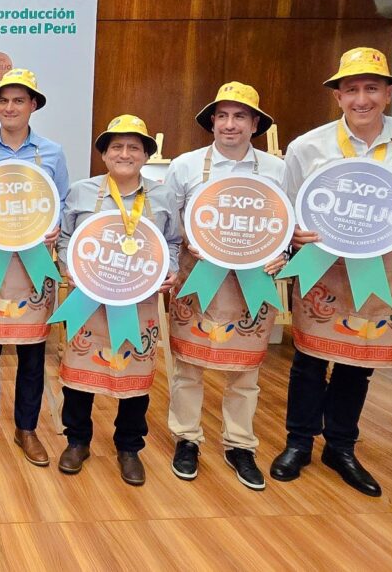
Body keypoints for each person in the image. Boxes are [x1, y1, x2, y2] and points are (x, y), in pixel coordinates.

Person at [270, 48, 392, 497]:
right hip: (323, 266)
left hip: (382, 264)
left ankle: (341, 447)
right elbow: (289, 207)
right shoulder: (308, 146)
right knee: (309, 360)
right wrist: (294, 235)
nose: (362, 99)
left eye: (372, 88)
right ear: (338, 97)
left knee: (360, 361)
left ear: (388, 94)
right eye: (351, 89)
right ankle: (298, 443)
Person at [164, 82, 287, 491]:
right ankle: (186, 438)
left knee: (246, 372)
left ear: (255, 124)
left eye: (240, 116)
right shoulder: (185, 166)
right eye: (222, 116)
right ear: (212, 122)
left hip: (252, 282)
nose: (230, 124)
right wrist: (184, 246)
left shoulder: (276, 170)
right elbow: (167, 224)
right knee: (188, 366)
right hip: (199, 278)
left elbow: (288, 224)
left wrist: (283, 252)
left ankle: (240, 445)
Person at [55, 115, 180, 485]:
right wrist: (68, 265)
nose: (125, 154)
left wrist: (171, 268)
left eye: (133, 147)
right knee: (79, 373)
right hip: (88, 300)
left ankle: (129, 447)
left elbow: (172, 241)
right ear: (104, 154)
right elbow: (65, 237)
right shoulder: (81, 191)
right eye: (117, 147)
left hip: (138, 301)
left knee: (134, 374)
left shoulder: (162, 196)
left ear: (145, 155)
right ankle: (77, 441)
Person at [0, 68, 68, 466]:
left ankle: (27, 428)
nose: (10, 107)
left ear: (33, 105)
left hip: (34, 265)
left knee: (32, 353)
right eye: (3, 101)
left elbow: (62, 202)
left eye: (19, 100)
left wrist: (56, 226)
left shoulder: (52, 153)